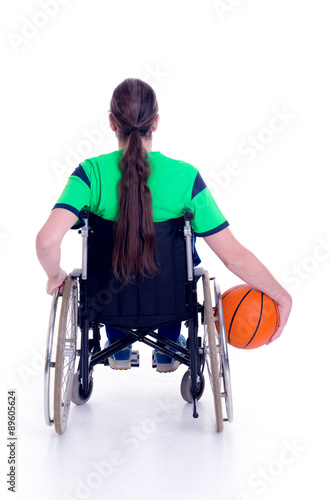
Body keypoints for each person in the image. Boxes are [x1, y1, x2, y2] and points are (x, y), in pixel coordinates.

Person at [36, 78, 292, 372]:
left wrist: (55, 276)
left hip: (108, 307)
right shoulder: (185, 177)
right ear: (155, 123)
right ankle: (169, 345)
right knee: (179, 273)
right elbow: (233, 258)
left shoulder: (90, 174)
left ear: (111, 123)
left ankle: (117, 345)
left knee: (107, 278)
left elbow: (46, 242)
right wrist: (281, 296)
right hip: (170, 303)